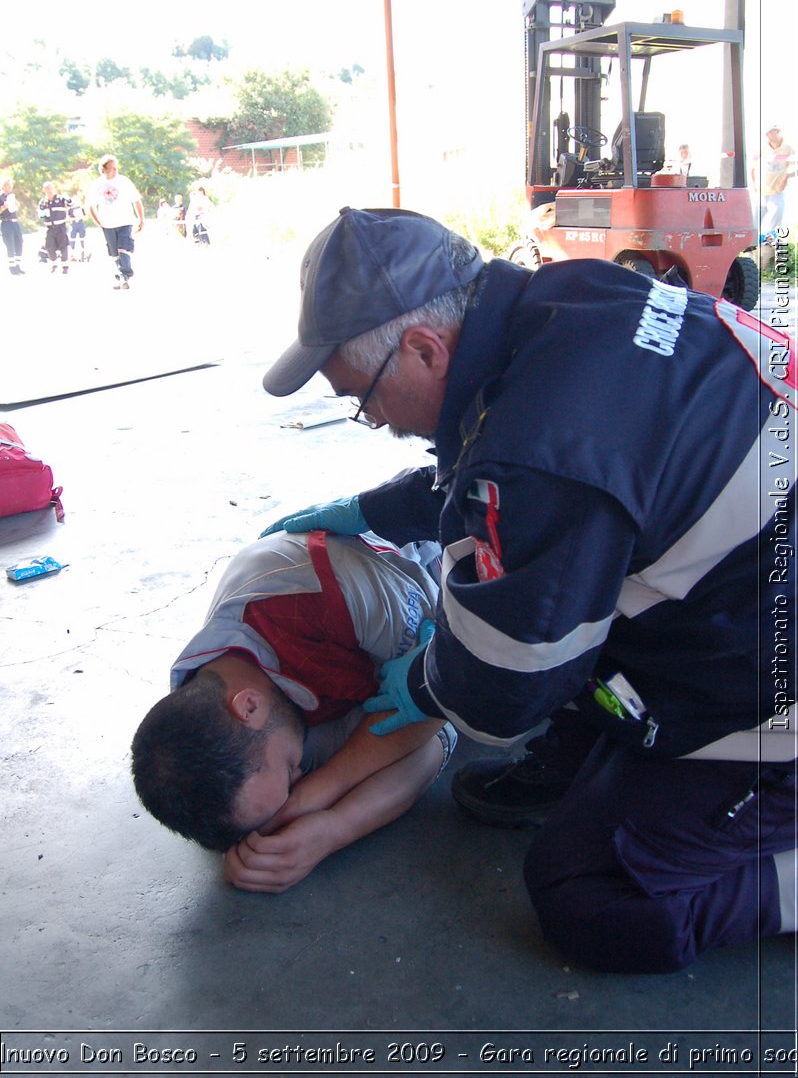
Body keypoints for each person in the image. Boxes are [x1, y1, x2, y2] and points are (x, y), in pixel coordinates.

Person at [258, 206, 796, 973]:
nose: (370, 418)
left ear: (422, 348)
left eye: (362, 399)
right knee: (565, 615)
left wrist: (423, 678)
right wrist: (375, 511)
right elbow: (531, 456)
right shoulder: (572, 298)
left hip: (776, 685)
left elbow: (501, 690)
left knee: (587, 895)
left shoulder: (541, 450)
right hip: (760, 591)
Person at [131, 528, 455, 892]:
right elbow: (422, 745)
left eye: (289, 771)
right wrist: (279, 842)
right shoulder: (210, 707)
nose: (300, 773)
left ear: (249, 705)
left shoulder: (327, 594)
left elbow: (445, 699)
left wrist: (332, 813)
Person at [88, 154, 144, 290]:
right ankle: (121, 276)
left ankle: (124, 274)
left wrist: (141, 218)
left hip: (125, 221)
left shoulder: (124, 181)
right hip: (107, 223)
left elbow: (136, 200)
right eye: (111, 168)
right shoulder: (97, 185)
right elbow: (91, 206)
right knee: (114, 253)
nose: (114, 171)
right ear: (103, 170)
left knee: (124, 249)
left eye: (116, 168)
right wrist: (98, 222)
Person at [751, 123, 795, 238]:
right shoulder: (762, 148)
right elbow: (752, 167)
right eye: (768, 133)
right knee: (754, 224)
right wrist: (754, 185)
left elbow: (795, 167)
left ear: (777, 132)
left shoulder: (788, 149)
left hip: (776, 192)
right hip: (761, 192)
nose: (769, 135)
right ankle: (751, 247)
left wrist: (785, 179)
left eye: (772, 132)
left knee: (775, 220)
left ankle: (769, 244)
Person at [38, 181, 71, 275]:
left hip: (60, 226)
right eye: (46, 188)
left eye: (50, 188)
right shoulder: (43, 201)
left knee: (63, 246)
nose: (49, 190)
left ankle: (65, 267)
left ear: (53, 188)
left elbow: (70, 204)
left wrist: (68, 199)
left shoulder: (60, 198)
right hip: (50, 228)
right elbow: (40, 214)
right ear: (43, 190)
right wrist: (43, 213)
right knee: (49, 246)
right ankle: (54, 264)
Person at [0, 176, 25, 275]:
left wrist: (15, 204)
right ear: (4, 186)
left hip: (15, 222)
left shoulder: (12, 195)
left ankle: (17, 265)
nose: (10, 187)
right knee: (10, 245)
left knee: (19, 242)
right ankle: (12, 267)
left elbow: (16, 208)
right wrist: (5, 206)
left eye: (11, 185)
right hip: (6, 222)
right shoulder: (1, 197)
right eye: (8, 185)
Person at [68, 193, 90, 263]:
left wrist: (80, 216)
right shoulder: (70, 209)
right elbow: (68, 217)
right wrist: (74, 218)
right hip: (73, 223)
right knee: (72, 238)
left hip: (80, 223)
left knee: (82, 238)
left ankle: (83, 253)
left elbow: (84, 216)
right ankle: (72, 254)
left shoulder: (81, 208)